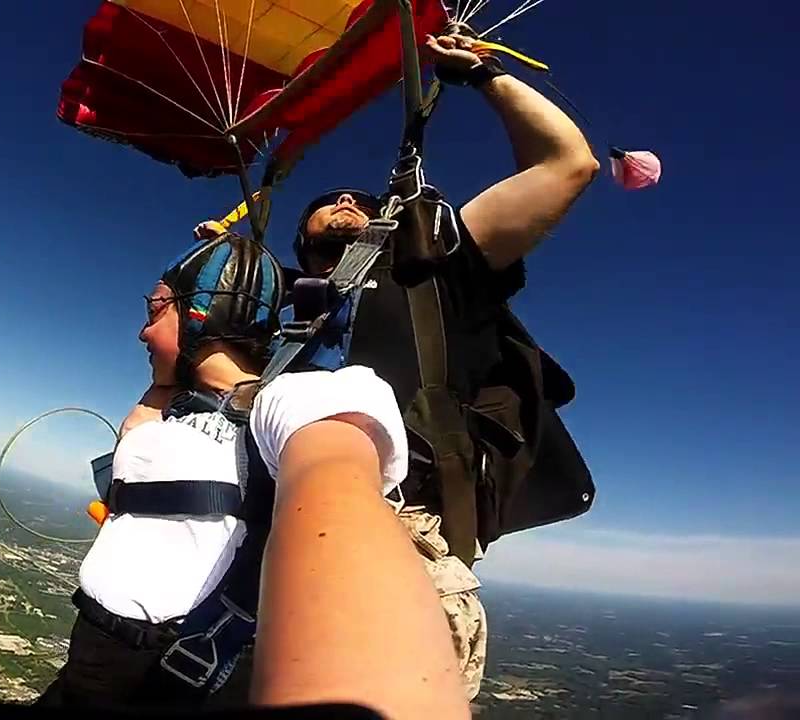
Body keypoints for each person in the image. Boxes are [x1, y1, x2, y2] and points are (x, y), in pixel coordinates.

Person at [146, 32, 599, 700]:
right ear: (301, 238)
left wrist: (482, 75)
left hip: (394, 536)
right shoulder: (280, 314)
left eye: (363, 199)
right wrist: (213, 278)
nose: (350, 203)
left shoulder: (438, 271)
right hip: (243, 548)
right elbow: (180, 354)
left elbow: (568, 165)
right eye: (331, 200)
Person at [36, 232, 460, 713]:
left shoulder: (295, 400)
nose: (142, 332)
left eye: (155, 310)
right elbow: (143, 432)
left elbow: (342, 511)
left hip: (166, 681)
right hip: (89, 664)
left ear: (201, 314)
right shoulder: (173, 413)